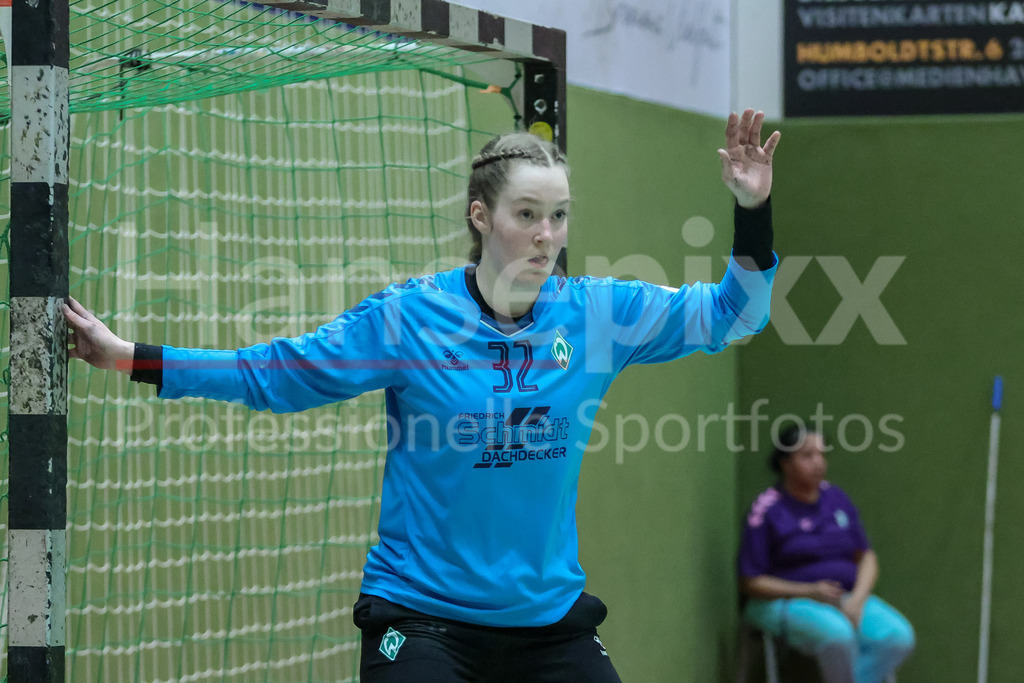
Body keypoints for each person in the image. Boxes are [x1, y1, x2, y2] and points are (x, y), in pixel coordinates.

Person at [65, 109, 780, 682]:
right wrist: (131, 357)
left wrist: (754, 212)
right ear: (480, 216)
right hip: (425, 621)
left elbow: (734, 316)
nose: (546, 236)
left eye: (559, 216)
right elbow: (276, 375)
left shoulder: (597, 314)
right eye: (526, 214)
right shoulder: (410, 318)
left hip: (547, 623)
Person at [737, 424, 916, 683]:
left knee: (897, 637)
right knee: (838, 634)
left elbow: (866, 557)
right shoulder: (767, 509)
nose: (818, 463)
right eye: (807, 456)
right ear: (785, 463)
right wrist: (809, 591)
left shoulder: (836, 498)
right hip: (786, 599)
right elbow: (751, 582)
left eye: (822, 454)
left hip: (843, 596)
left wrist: (857, 600)